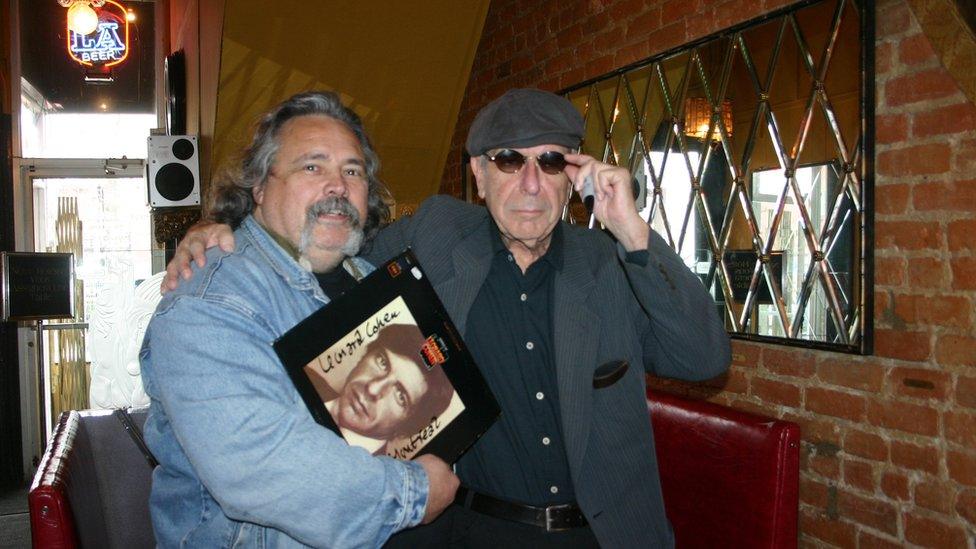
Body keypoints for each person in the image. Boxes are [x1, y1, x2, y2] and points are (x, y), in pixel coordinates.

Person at [164, 88, 732, 548]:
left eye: (551, 161)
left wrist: (633, 231)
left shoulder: (612, 264)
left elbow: (704, 359)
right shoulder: (437, 237)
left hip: (603, 533)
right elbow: (324, 247)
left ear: (573, 178)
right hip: (471, 529)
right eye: (508, 161)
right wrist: (221, 232)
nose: (530, 184)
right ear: (478, 177)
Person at [140, 91, 458, 549]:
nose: (338, 185)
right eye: (312, 166)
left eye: (352, 171)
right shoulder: (207, 302)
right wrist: (415, 492)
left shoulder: (371, 280)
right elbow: (263, 467)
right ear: (260, 187)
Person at [309, 322, 455, 444]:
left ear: (405, 428)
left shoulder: (376, 476)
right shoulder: (307, 376)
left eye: (400, 395)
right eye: (382, 362)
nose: (373, 389)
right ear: (365, 356)